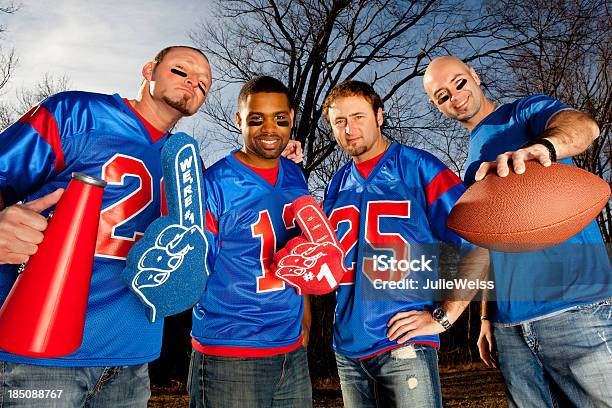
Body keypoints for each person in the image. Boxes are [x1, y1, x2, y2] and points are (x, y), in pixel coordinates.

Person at [0, 46, 302, 407]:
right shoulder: (77, 114)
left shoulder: (188, 163)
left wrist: (271, 158)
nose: (194, 81)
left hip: (132, 360)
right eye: (181, 71)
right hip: (41, 348)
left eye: (204, 83)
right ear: (149, 70)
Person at [423, 55, 612, 408]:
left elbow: (583, 126)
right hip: (511, 331)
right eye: (442, 96)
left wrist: (545, 147)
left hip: (574, 310)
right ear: (438, 107)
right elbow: (489, 247)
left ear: (475, 76)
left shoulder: (525, 112)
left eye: (459, 82)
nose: (455, 96)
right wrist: (485, 316)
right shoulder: (470, 163)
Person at [320, 80, 488, 407]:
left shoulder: (418, 166)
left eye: (358, 117)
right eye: (339, 121)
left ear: (379, 116)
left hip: (403, 342)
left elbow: (477, 238)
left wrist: (446, 314)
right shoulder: (338, 183)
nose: (349, 129)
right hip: (347, 351)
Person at [188, 76, 312, 408]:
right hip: (231, 353)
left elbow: (303, 251)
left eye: (280, 119)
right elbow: (195, 269)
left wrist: (305, 316)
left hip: (290, 349)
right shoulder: (214, 184)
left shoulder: (296, 176)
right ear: (239, 119)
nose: (269, 128)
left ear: (291, 119)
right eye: (256, 119)